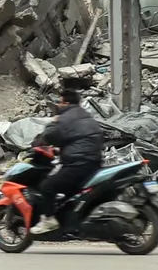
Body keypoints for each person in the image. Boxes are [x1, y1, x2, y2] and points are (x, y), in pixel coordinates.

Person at [30, 87, 105, 235]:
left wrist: (53, 122)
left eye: (60, 102)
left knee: (47, 186)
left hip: (77, 164)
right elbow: (78, 139)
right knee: (70, 195)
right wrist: (61, 150)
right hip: (93, 163)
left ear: (66, 103)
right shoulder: (85, 116)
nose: (58, 105)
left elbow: (50, 136)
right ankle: (71, 224)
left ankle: (49, 220)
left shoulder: (65, 118)